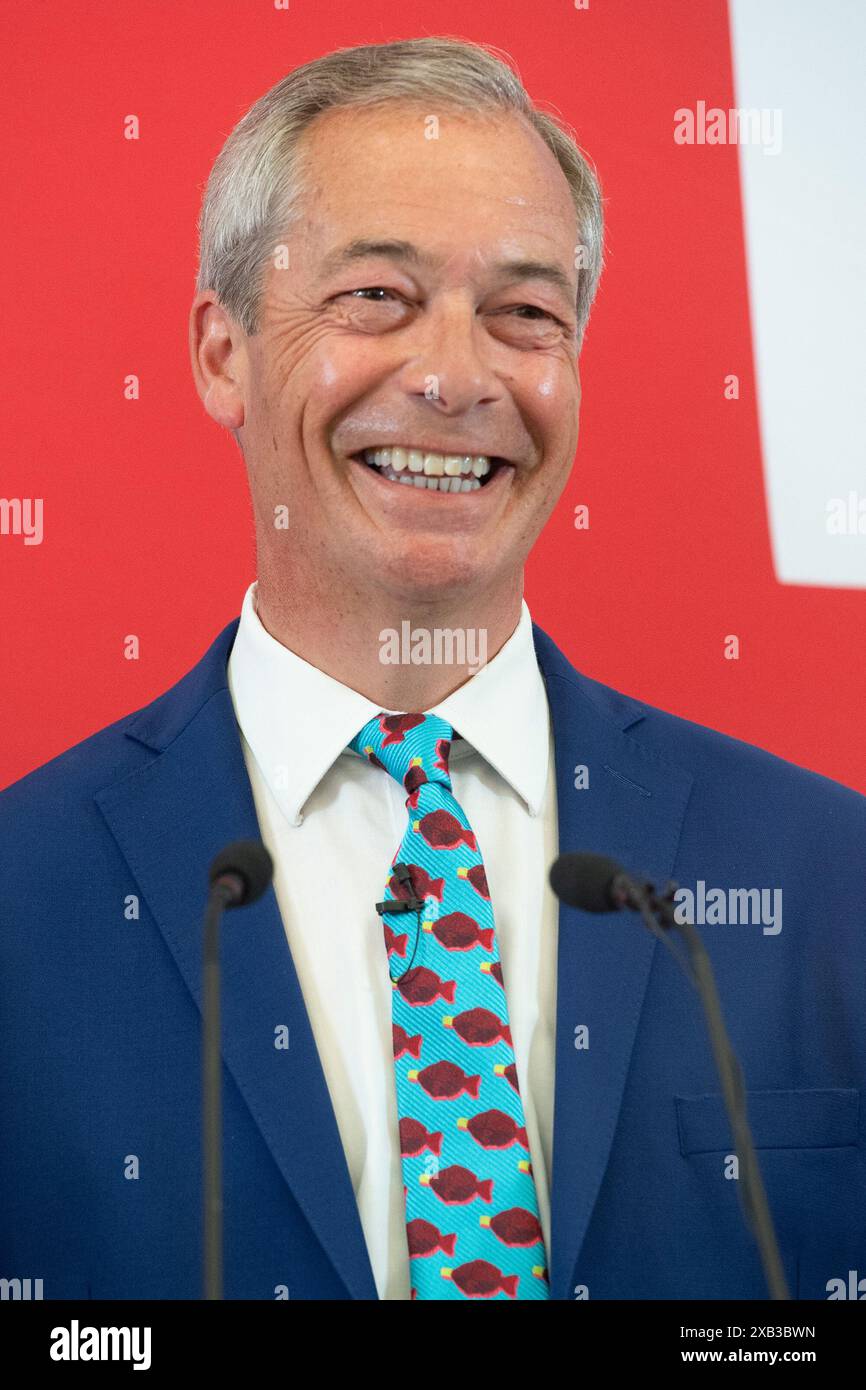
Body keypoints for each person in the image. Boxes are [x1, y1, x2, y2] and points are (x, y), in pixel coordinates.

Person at [1, 37, 864, 1302]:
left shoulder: (823, 872)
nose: (457, 378)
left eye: (523, 313)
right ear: (221, 351)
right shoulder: (26, 893)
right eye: (375, 299)